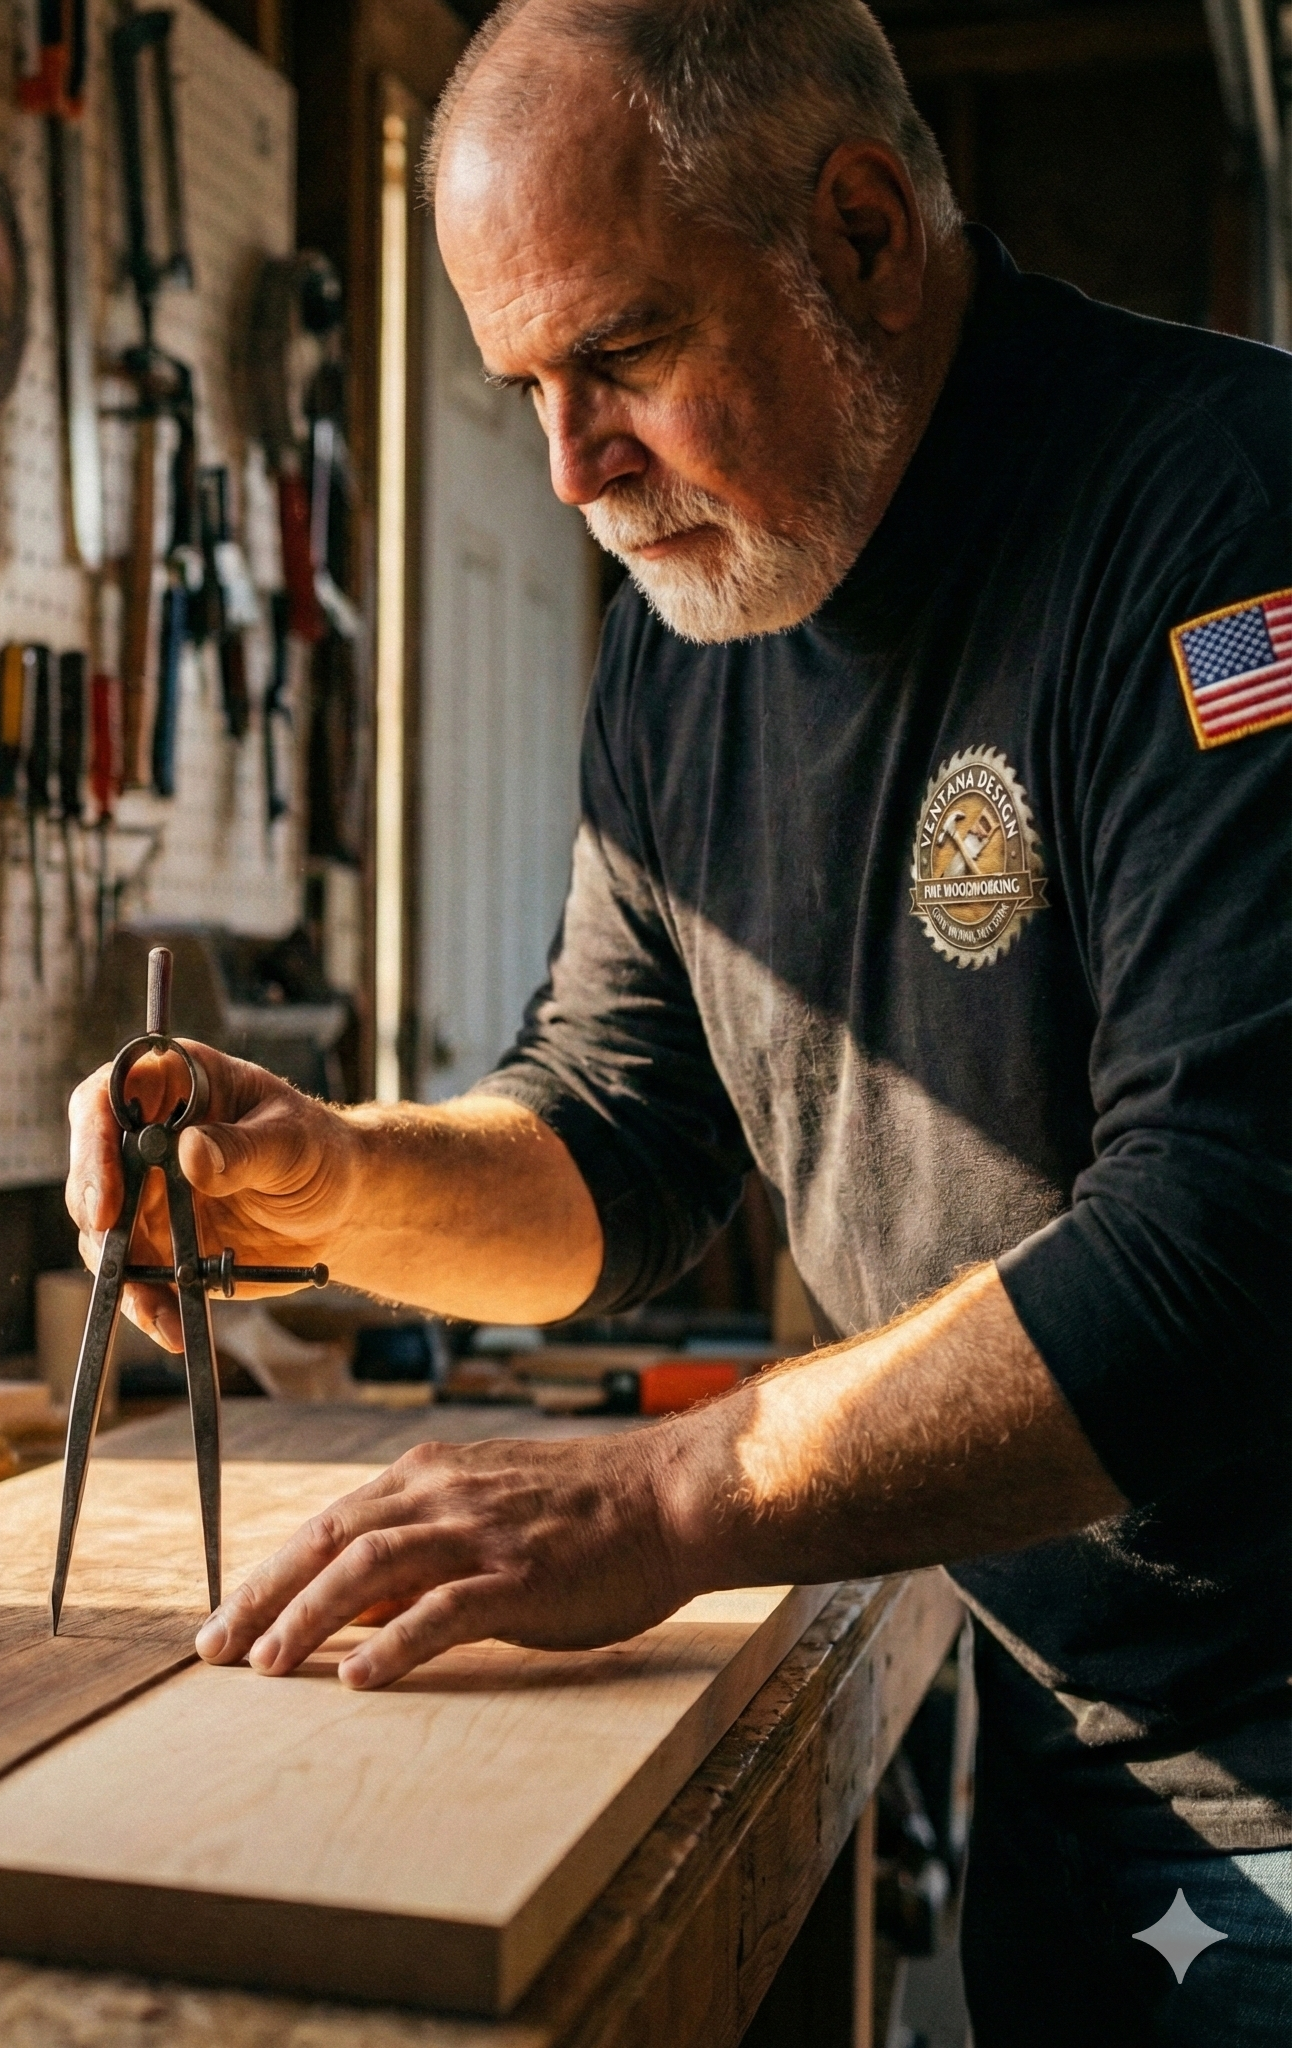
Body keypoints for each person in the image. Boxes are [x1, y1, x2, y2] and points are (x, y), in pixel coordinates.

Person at [65, 2, 1292, 2037]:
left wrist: (663, 1504)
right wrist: (323, 1178)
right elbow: (615, 1146)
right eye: (523, 388)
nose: (568, 470)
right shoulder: (682, 648)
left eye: (620, 354)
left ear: (862, 235)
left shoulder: (1214, 524)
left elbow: (1226, 1247)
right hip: (1068, 1716)